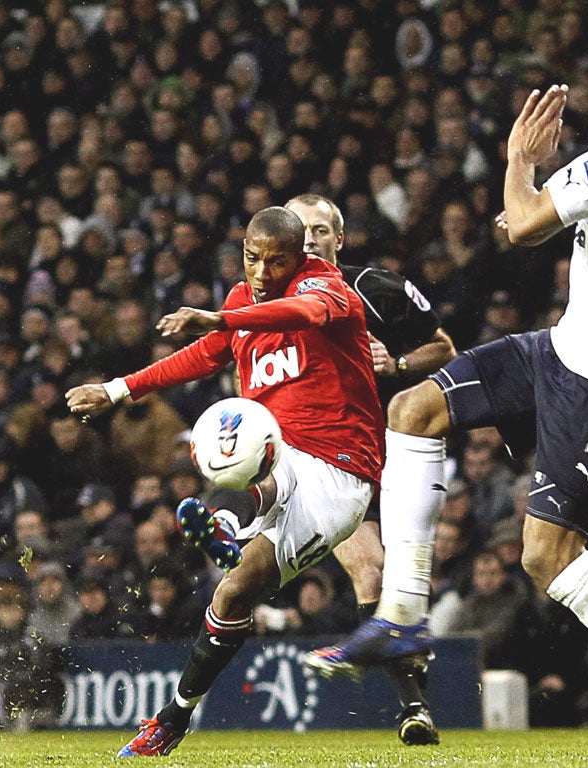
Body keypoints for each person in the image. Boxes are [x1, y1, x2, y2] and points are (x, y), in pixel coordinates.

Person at [305, 12, 588, 757]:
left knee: (546, 558)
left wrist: (518, 158)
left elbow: (522, 221)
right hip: (564, 346)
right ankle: (404, 612)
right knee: (413, 408)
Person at [65, 206, 384, 757]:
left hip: (339, 467)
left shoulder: (328, 288)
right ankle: (176, 715)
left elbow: (304, 312)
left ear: (299, 257)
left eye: (275, 261)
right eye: (251, 259)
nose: (261, 273)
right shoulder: (240, 302)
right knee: (236, 460)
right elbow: (193, 359)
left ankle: (227, 525)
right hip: (279, 452)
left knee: (240, 567)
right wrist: (118, 390)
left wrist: (219, 319)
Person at [285, 193, 455, 745]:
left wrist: (398, 363)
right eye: (298, 231)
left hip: (396, 456)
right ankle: (414, 708)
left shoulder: (376, 290)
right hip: (329, 464)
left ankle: (413, 697)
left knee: (403, 581)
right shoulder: (268, 311)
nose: (308, 240)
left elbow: (445, 349)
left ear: (339, 240)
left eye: (319, 230)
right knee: (373, 573)